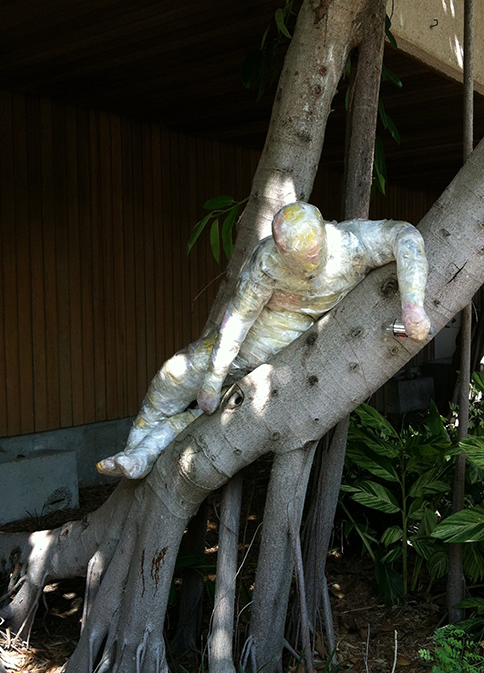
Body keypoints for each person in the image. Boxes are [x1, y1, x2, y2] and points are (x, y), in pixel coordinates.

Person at [98, 202, 431, 479]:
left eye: (316, 255)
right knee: (173, 374)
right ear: (281, 250)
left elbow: (404, 235)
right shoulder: (268, 260)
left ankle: (145, 452)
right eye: (302, 261)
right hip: (248, 343)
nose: (311, 265)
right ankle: (135, 450)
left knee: (207, 419)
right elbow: (238, 319)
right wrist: (212, 381)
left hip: (284, 358)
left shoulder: (351, 242)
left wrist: (412, 304)